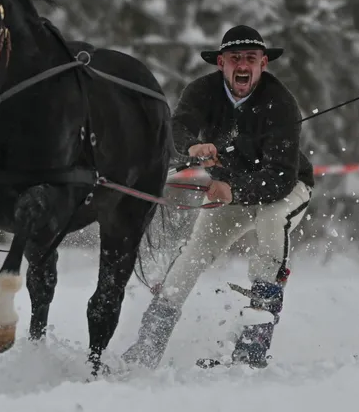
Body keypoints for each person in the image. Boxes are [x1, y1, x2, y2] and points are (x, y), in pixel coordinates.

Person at [122, 25, 314, 369]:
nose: (243, 65)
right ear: (221, 64)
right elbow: (176, 129)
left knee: (271, 226)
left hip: (284, 190)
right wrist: (193, 146)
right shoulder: (200, 92)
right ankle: (145, 350)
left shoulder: (281, 102)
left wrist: (234, 189)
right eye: (235, 58)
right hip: (231, 196)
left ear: (264, 64)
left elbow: (282, 177)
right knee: (191, 257)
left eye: (251, 59)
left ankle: (251, 350)